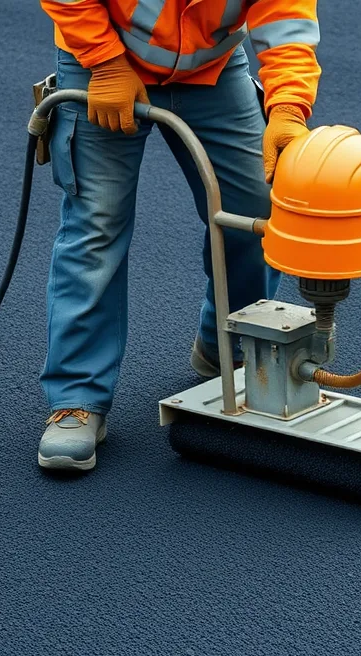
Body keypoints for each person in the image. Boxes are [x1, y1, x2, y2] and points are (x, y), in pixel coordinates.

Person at [35, 0, 320, 471]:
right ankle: (76, 398)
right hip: (105, 61)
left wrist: (288, 106)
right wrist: (104, 62)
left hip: (213, 67)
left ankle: (226, 343)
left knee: (253, 212)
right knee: (96, 228)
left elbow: (287, 13)